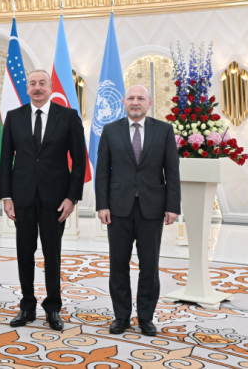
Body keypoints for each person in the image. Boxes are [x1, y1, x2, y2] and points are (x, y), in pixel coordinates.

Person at [0, 70, 87, 331]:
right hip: (22, 197)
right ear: (27, 88)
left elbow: (79, 161)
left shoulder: (69, 117)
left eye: (42, 84)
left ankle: (53, 309)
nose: (37, 88)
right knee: (24, 254)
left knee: (53, 255)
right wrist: (6, 196)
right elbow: (5, 160)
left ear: (51, 88)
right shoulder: (14, 117)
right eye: (32, 84)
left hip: (55, 199)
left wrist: (72, 197)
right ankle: (27, 306)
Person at [95, 84, 180, 337]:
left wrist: (172, 206)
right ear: (123, 102)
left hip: (151, 209)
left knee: (150, 266)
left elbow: (172, 171)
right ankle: (121, 317)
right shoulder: (110, 131)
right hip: (118, 209)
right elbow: (102, 172)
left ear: (149, 103)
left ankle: (146, 318)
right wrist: (102, 204)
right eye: (131, 98)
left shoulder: (164, 131)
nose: (135, 102)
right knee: (118, 265)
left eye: (140, 98)